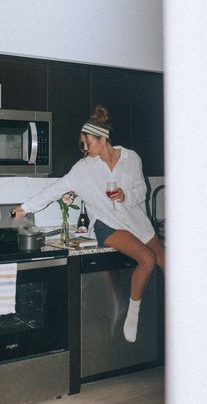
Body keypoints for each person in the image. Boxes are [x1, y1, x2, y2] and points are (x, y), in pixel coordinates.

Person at [12, 104, 165, 343]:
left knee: (167, 261)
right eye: (82, 144)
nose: (84, 148)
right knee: (147, 259)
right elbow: (55, 189)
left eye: (88, 143)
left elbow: (141, 190)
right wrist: (25, 207)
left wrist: (126, 196)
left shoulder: (131, 158)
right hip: (107, 224)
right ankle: (133, 311)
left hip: (136, 220)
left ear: (102, 139)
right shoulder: (82, 169)